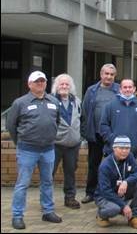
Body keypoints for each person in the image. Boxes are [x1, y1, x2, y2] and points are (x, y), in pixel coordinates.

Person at [7, 71, 63, 230]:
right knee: (22, 184)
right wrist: (20, 142)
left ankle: (48, 211)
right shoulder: (20, 102)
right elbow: (11, 125)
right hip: (27, 150)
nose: (40, 84)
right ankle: (17, 216)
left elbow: (56, 122)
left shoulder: (53, 101)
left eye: (42, 81)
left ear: (46, 83)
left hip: (48, 150)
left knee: (47, 181)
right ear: (29, 84)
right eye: (36, 81)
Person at [82, 64, 120, 204]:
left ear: (114, 76)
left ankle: (113, 193)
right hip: (96, 134)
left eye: (111, 74)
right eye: (106, 73)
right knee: (93, 164)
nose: (109, 76)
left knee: (115, 165)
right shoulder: (91, 90)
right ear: (101, 74)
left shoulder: (119, 90)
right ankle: (90, 192)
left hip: (112, 134)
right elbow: (85, 113)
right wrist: (86, 132)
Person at [94, 136, 137, 229]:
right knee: (114, 209)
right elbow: (105, 191)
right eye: (121, 148)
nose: (124, 151)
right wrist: (124, 206)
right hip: (104, 196)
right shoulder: (105, 166)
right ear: (114, 148)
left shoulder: (129, 157)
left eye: (127, 148)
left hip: (121, 191)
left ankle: (134, 216)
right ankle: (101, 215)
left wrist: (126, 182)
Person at [51, 73, 84, 210]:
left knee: (70, 172)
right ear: (56, 86)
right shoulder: (50, 101)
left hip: (73, 145)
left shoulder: (76, 101)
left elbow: (82, 119)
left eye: (67, 84)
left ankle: (70, 198)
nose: (64, 86)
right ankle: (46, 200)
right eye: (61, 84)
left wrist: (80, 137)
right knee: (49, 173)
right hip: (55, 145)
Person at [99, 79, 137, 158]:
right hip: (113, 152)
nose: (127, 89)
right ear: (120, 89)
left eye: (130, 87)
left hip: (134, 153)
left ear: (134, 89)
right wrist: (113, 140)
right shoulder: (110, 106)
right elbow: (103, 125)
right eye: (125, 87)